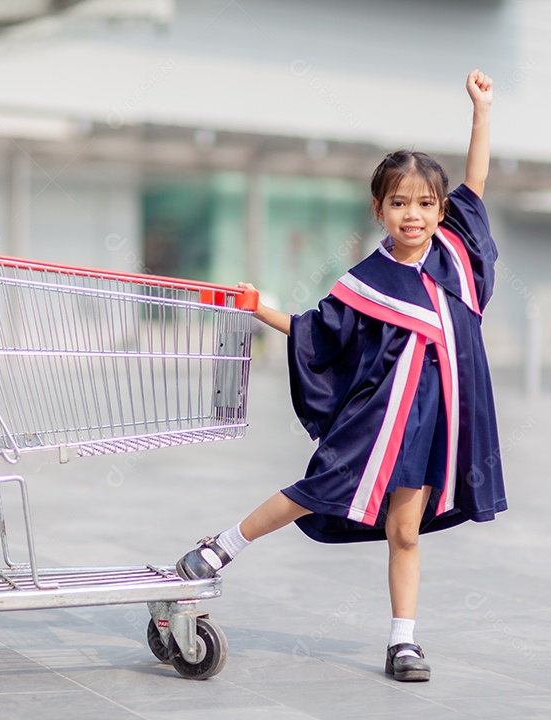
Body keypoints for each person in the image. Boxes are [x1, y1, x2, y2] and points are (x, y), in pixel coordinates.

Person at [176, 70, 507, 683]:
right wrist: (256, 309)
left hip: (437, 423)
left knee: (405, 531)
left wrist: (481, 113)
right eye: (400, 203)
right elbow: (312, 331)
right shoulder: (365, 281)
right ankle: (220, 547)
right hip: (379, 420)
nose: (415, 215)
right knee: (320, 489)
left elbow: (478, 181)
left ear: (441, 209)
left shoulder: (457, 252)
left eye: (426, 203)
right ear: (379, 209)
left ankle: (402, 643)